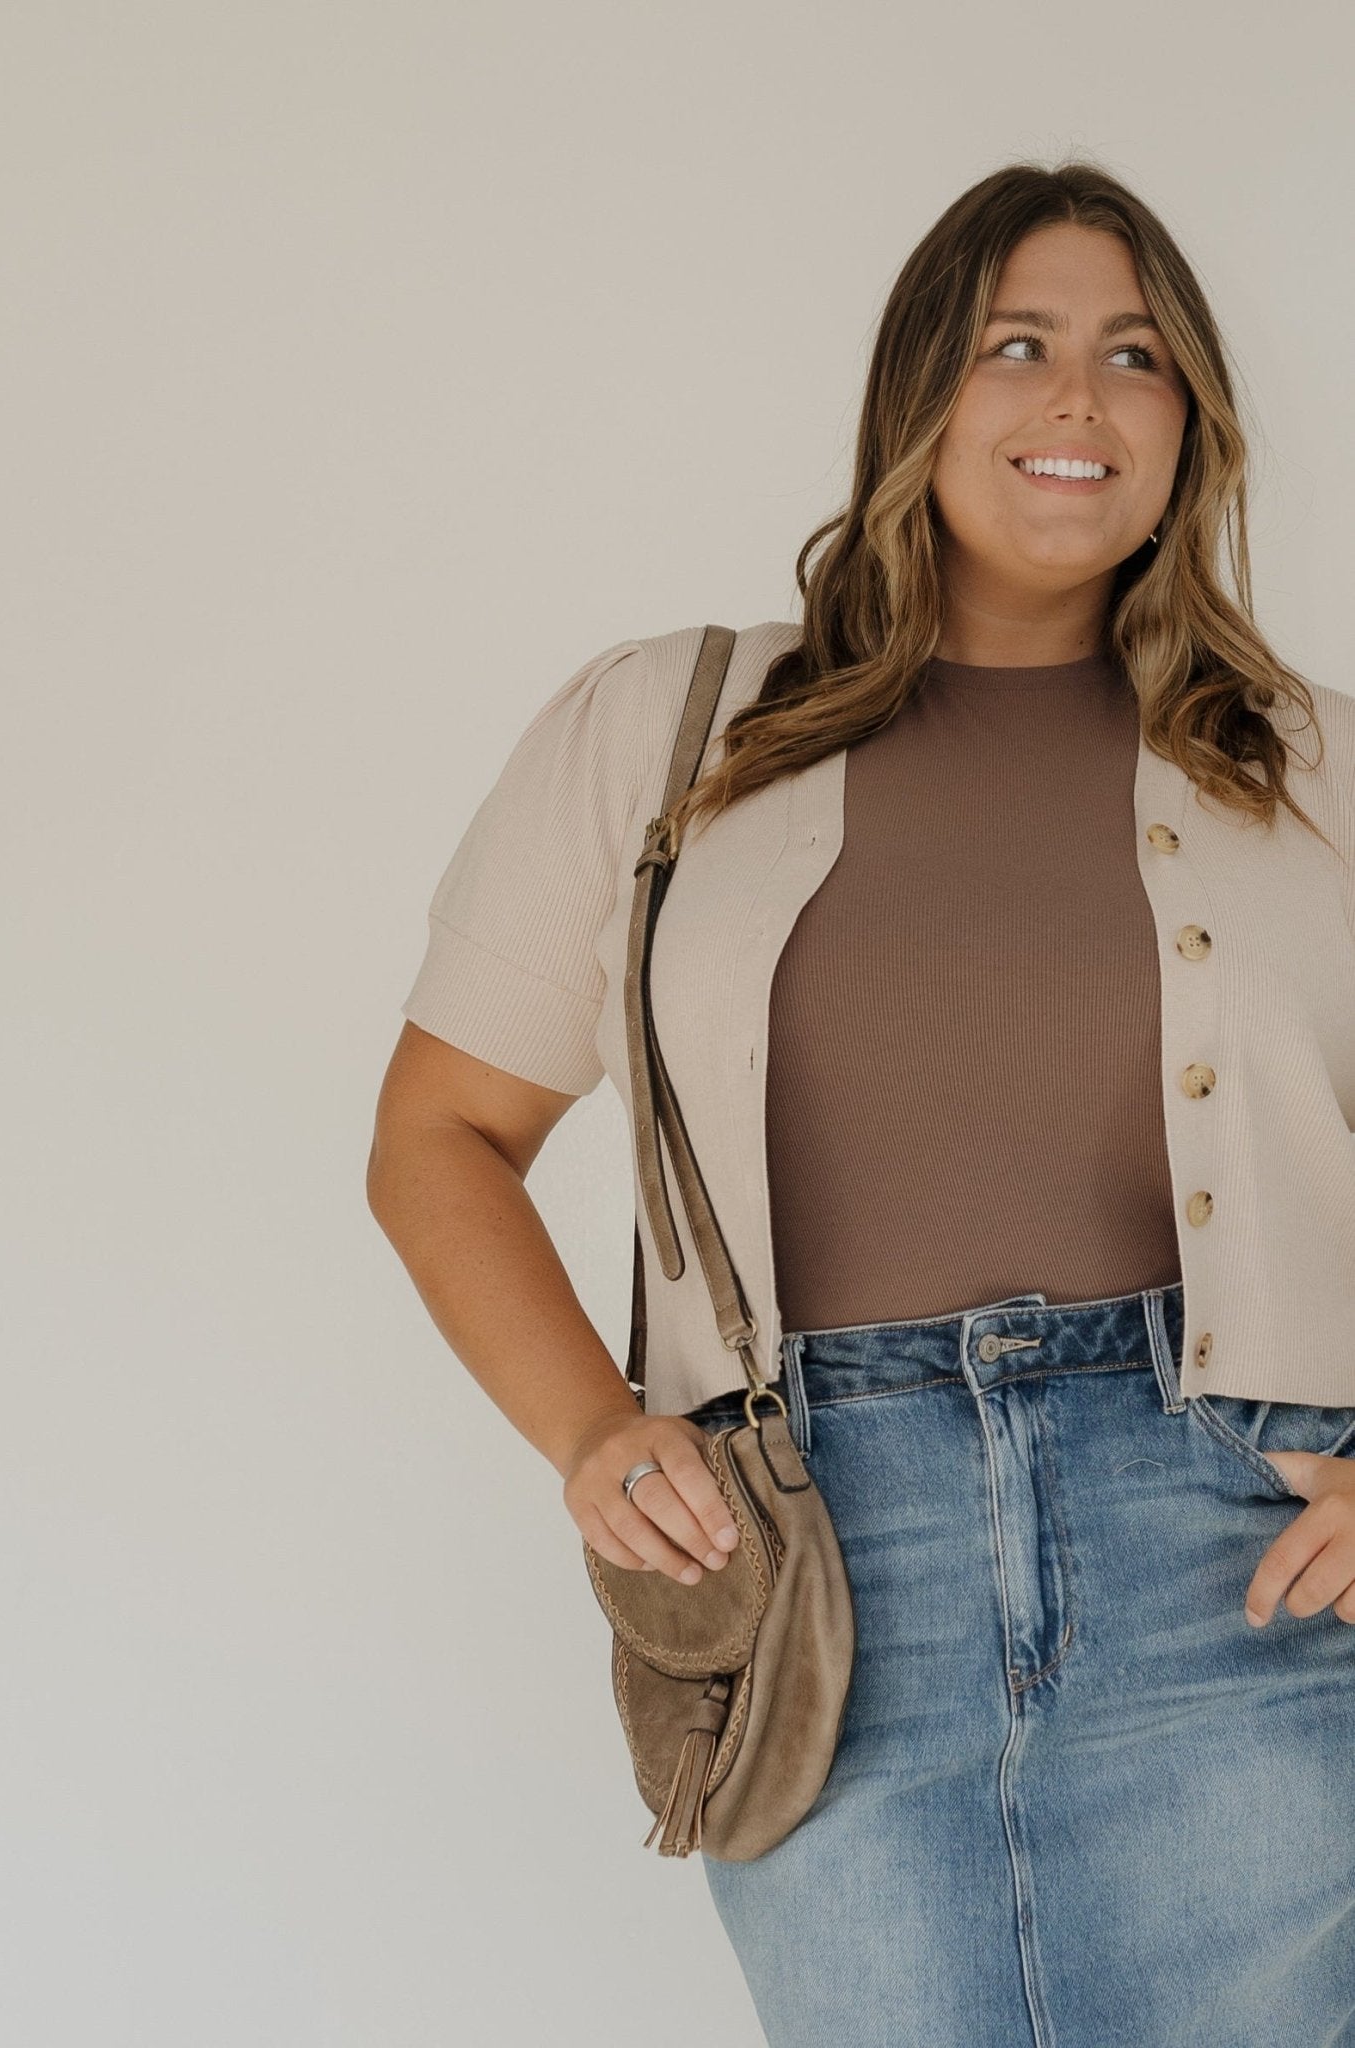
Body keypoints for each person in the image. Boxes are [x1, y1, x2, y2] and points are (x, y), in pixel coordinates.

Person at [367, 159, 1355, 2045]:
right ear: (918, 391)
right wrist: (589, 1430)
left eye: (1134, 356)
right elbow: (439, 1135)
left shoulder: (1317, 777)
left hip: (1244, 1575)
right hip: (822, 1584)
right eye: (1016, 344)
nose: (1078, 399)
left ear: (1190, 425)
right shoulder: (666, 730)